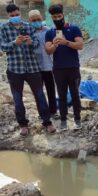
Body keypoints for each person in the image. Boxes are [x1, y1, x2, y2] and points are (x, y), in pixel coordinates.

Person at [0, 4, 55, 136]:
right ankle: (23, 125)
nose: (15, 17)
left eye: (16, 15)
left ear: (20, 13)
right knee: (17, 99)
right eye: (12, 16)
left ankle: (47, 122)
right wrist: (15, 42)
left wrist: (31, 42)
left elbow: (36, 45)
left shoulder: (28, 26)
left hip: (32, 68)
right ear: (8, 16)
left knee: (40, 96)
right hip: (14, 69)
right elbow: (2, 47)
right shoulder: (4, 28)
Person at [45, 4, 84, 131]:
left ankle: (77, 119)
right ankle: (63, 121)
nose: (57, 19)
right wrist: (55, 44)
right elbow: (48, 51)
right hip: (58, 69)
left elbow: (80, 45)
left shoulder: (73, 29)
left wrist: (66, 42)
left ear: (63, 15)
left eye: (59, 16)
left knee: (75, 94)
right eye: (54, 17)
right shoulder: (50, 32)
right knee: (61, 96)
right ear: (52, 18)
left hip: (73, 68)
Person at [28, 9, 57, 118]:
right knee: (38, 92)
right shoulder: (29, 33)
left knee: (51, 89)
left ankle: (53, 111)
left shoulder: (48, 31)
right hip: (35, 67)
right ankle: (42, 113)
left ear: (41, 18)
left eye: (38, 19)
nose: (36, 21)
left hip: (48, 66)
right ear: (30, 21)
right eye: (33, 20)